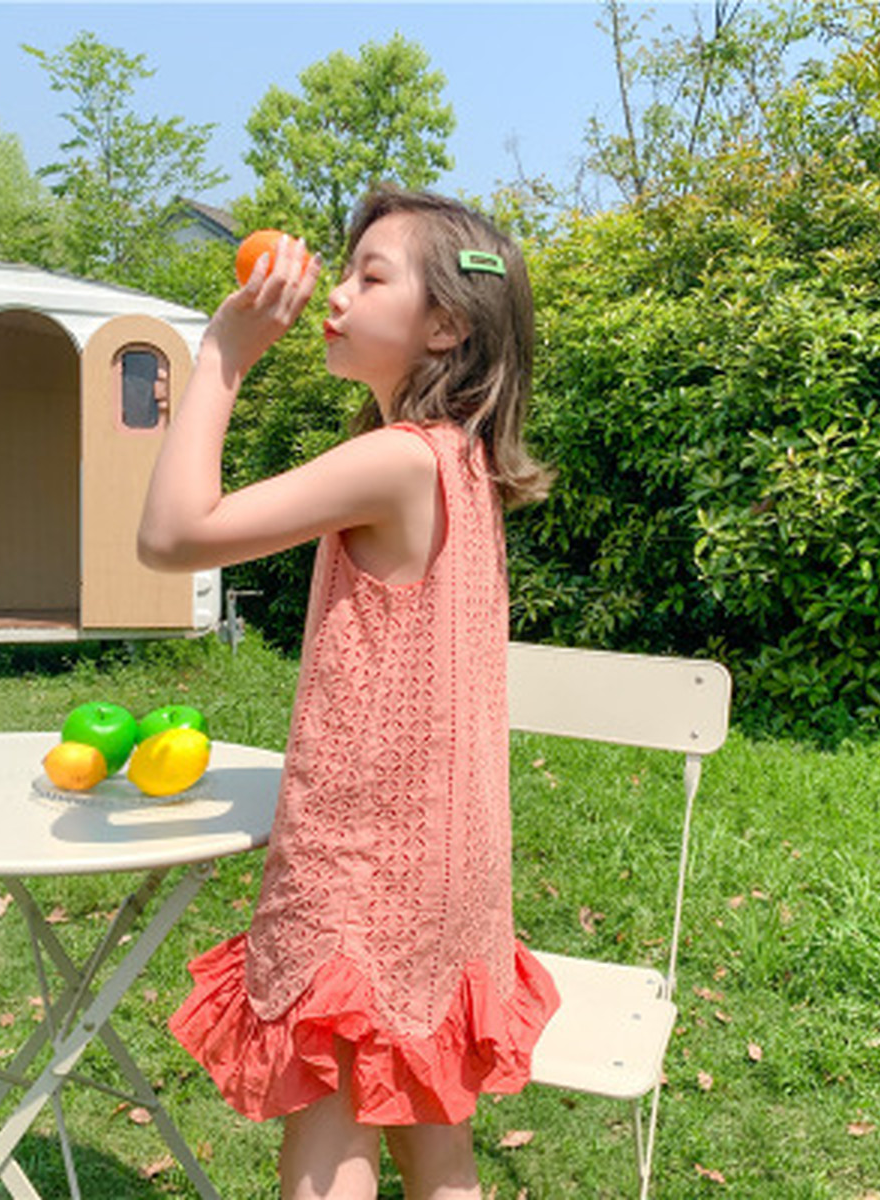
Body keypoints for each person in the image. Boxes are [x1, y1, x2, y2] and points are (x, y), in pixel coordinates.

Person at [138, 187, 560, 1200]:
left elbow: (171, 536)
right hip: (450, 864)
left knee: (330, 1141)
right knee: (432, 1131)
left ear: (445, 324)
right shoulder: (462, 461)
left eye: (371, 277)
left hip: (367, 870)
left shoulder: (398, 461)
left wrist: (222, 357)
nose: (335, 293)